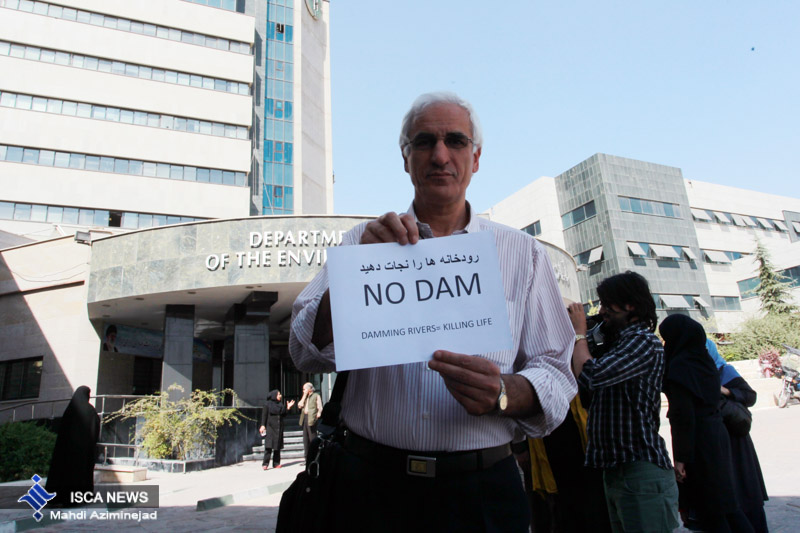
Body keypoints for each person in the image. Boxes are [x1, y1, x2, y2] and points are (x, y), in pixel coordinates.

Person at [290, 91, 576, 531]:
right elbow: (304, 352)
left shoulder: (523, 254)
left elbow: (556, 371)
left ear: (475, 158)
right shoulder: (362, 243)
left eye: (455, 141)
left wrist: (505, 392)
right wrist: (356, 275)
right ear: (406, 159)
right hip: (369, 489)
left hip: (483, 493)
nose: (440, 155)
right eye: (424, 142)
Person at [569, 272, 679, 533]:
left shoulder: (644, 342)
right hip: (617, 471)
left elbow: (591, 375)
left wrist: (579, 333)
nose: (601, 311)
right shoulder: (618, 344)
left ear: (629, 305)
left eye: (606, 304)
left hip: (640, 470)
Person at [659, 314, 755, 532]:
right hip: (717, 435)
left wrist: (681, 458)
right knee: (725, 503)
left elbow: (683, 416)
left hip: (699, 442)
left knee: (711, 507)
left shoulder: (679, 366)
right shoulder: (704, 362)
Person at [706, 339, 769, 532]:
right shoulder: (691, 373)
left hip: (735, 441)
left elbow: (750, 396)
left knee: (745, 492)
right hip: (712, 444)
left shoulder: (724, 371)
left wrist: (724, 390)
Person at [45, 386, 100, 506]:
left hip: (66, 451)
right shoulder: (90, 411)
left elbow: (62, 431)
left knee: (63, 472)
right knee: (80, 473)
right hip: (83, 452)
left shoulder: (70, 410)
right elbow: (95, 430)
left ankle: (58, 497)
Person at [259, 390, 295, 470]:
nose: (280, 395)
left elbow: (283, 414)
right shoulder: (267, 404)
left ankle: (276, 463)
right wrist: (262, 425)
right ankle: (265, 464)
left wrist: (288, 408)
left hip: (279, 428)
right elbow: (264, 415)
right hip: (270, 428)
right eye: (278, 394)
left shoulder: (280, 404)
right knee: (268, 447)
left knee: (277, 447)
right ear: (274, 395)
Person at [297, 382, 322, 460]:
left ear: (309, 389)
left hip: (312, 417)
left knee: (312, 438)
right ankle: (307, 457)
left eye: (304, 389)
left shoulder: (316, 396)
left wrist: (319, 413)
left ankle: (315, 457)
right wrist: (304, 395)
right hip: (305, 417)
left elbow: (320, 407)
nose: (303, 390)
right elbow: (300, 405)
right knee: (305, 439)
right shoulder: (305, 397)